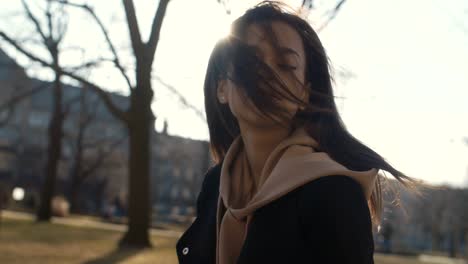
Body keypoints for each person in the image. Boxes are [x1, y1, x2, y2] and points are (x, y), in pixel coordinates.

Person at [176, 1, 423, 263]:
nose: (268, 75)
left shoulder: (333, 192)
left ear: (305, 93)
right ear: (222, 89)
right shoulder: (216, 183)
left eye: (286, 65)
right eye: (251, 62)